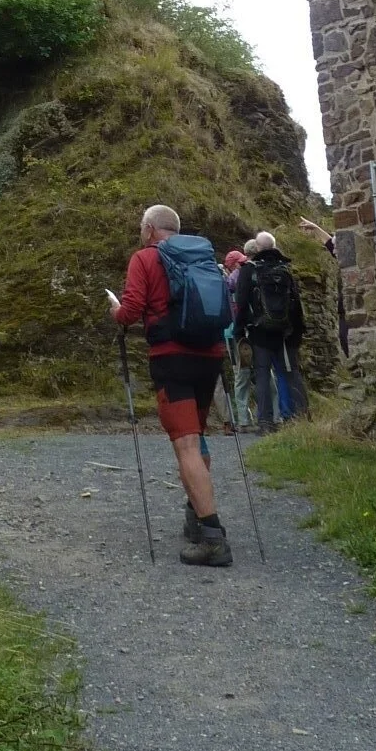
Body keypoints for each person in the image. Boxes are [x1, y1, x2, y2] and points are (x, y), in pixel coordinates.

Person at [109, 203, 232, 566]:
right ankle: (196, 516)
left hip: (172, 358)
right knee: (199, 436)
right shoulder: (202, 257)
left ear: (149, 228)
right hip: (209, 356)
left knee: (187, 444)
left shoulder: (144, 259)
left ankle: (212, 537)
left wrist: (115, 311)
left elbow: (131, 311)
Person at [232, 229, 309, 430]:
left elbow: (241, 303)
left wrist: (239, 332)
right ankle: (301, 418)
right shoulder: (285, 269)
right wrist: (297, 331)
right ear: (274, 247)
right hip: (285, 333)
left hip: (259, 331)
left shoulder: (249, 269)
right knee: (291, 373)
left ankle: (265, 421)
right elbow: (296, 302)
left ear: (256, 248)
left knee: (263, 374)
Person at [298, 212, 351, 358]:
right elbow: (330, 244)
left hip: (348, 311)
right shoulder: (347, 257)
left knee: (349, 344)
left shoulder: (352, 260)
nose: (334, 250)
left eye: (337, 247)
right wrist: (315, 229)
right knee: (346, 344)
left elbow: (332, 245)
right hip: (344, 310)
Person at [222, 247, 255, 430]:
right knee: (244, 374)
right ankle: (246, 418)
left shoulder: (229, 280)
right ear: (234, 264)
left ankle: (244, 418)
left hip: (232, 332)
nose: (243, 264)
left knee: (241, 374)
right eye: (240, 262)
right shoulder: (236, 277)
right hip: (239, 333)